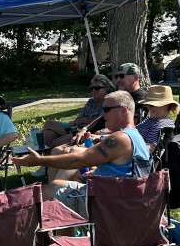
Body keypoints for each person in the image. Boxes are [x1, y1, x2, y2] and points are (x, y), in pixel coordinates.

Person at [12, 91, 152, 218]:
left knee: (40, 194)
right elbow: (128, 170)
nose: (102, 115)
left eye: (106, 110)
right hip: (120, 198)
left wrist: (39, 160)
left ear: (123, 111)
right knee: (56, 184)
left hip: (106, 204)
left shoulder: (120, 139)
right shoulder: (135, 136)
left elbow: (80, 160)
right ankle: (66, 233)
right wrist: (98, 172)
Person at [30, 74, 114, 178]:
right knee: (48, 131)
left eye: (97, 88)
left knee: (57, 143)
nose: (93, 90)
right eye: (91, 88)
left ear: (107, 89)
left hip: (87, 132)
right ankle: (47, 165)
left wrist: (84, 122)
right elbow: (81, 117)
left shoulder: (108, 103)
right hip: (77, 127)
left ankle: (48, 166)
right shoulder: (91, 102)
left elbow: (100, 120)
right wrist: (78, 122)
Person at [137, 85, 179, 153]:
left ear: (165, 105)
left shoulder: (162, 124)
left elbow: (150, 148)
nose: (148, 108)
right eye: (147, 104)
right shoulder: (152, 119)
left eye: (151, 105)